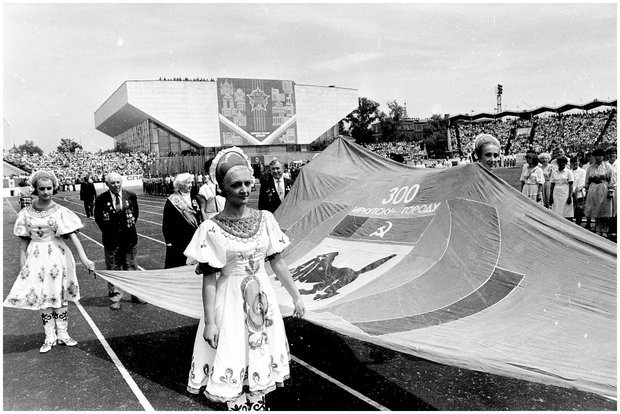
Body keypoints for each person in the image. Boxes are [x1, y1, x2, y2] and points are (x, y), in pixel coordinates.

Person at [184, 147, 305, 411]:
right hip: (229, 301)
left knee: (259, 359)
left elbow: (278, 261)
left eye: (248, 183)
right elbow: (209, 280)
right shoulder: (211, 228)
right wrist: (210, 322)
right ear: (223, 189)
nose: (244, 190)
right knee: (235, 357)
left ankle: (257, 407)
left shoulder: (266, 219)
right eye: (236, 185)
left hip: (261, 299)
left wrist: (296, 295)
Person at [3, 170, 95, 353]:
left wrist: (84, 259)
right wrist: (23, 268)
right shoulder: (26, 213)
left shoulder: (61, 211)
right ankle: (49, 337)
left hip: (56, 255)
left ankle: (63, 334)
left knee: (59, 295)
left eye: (49, 188)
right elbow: (23, 244)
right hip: (36, 257)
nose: (46, 192)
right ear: (35, 189)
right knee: (43, 297)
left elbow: (73, 237)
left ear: (54, 188)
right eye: (42, 189)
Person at [94, 172, 144, 310]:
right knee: (113, 269)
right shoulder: (101, 199)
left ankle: (136, 294)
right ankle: (115, 297)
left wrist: (126, 230)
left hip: (129, 239)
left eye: (118, 182)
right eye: (112, 183)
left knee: (131, 267)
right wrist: (111, 231)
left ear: (121, 182)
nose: (116, 185)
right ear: (107, 185)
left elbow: (135, 215)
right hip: (111, 240)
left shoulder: (131, 196)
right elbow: (98, 218)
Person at [162, 173, 205, 268]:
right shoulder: (172, 200)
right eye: (187, 183)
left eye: (191, 183)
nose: (191, 185)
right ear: (180, 185)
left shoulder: (195, 198)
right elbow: (167, 223)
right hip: (178, 239)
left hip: (194, 237)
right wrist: (168, 241)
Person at [584, 148, 615, 237]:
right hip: (593, 189)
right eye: (596, 156)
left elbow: (611, 179)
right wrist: (586, 189)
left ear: (603, 157)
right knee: (595, 210)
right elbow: (587, 180)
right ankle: (597, 228)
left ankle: (605, 229)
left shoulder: (608, 166)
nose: (597, 158)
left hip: (603, 188)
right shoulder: (590, 168)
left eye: (600, 156)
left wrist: (610, 190)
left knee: (604, 210)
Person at [570, 155, 587, 226]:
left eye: (576, 162)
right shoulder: (569, 171)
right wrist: (570, 191)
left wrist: (574, 190)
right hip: (569, 193)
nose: (574, 163)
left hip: (579, 193)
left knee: (579, 211)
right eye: (573, 162)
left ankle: (578, 224)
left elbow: (582, 183)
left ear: (579, 162)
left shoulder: (583, 171)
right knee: (570, 210)